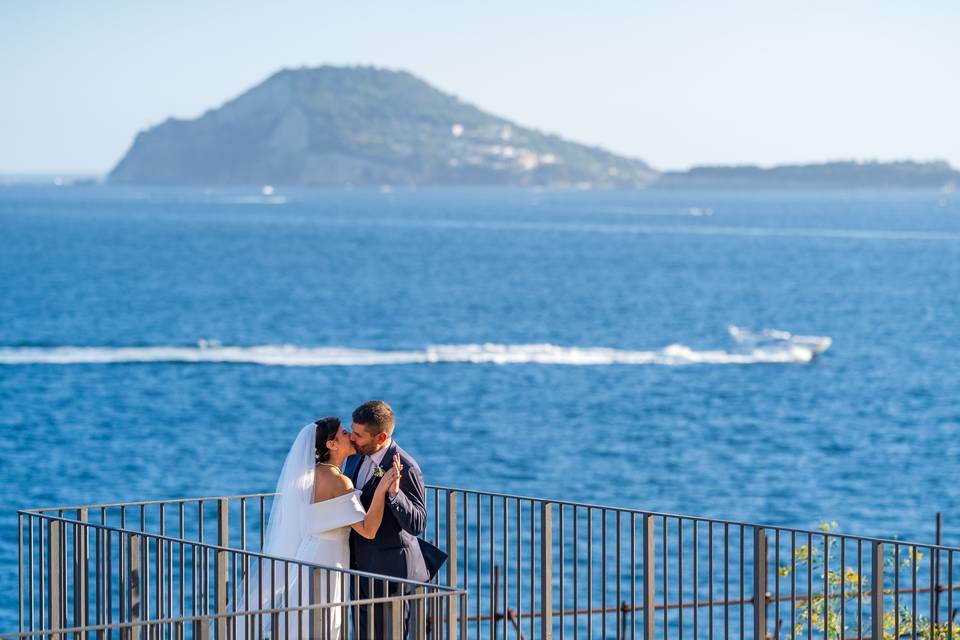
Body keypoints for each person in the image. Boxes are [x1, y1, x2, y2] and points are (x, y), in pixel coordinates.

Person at [232, 416, 401, 639]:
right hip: (329, 561)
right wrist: (381, 490)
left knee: (303, 620)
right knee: (325, 623)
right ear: (331, 444)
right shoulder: (339, 481)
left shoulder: (312, 476)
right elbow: (368, 529)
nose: (350, 436)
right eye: (343, 433)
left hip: (309, 555)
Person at [345, 400, 430, 640]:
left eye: (359, 435)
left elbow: (418, 524)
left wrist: (394, 494)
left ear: (381, 437)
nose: (352, 438)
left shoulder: (407, 466)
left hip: (392, 572)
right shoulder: (355, 457)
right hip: (360, 565)